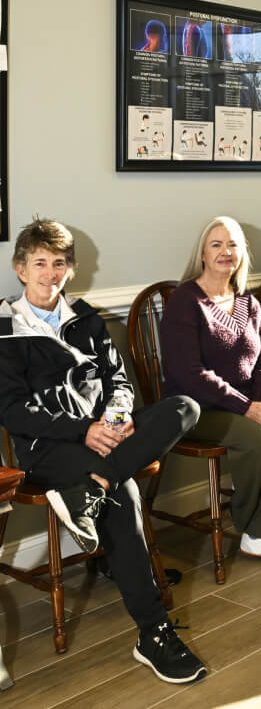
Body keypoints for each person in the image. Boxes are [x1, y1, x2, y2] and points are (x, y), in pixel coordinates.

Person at [0, 218, 206, 684]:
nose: (50, 274)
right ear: (20, 269)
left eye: (59, 264)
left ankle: (91, 488)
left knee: (184, 407)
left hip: (103, 438)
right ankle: (153, 634)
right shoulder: (5, 329)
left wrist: (114, 418)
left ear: (70, 269)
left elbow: (117, 379)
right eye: (39, 264)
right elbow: (12, 412)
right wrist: (83, 430)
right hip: (48, 449)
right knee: (126, 493)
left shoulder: (87, 319)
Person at [161, 216, 261, 568]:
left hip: (246, 402)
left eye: (233, 245)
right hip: (196, 408)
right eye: (216, 244)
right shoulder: (185, 301)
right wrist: (248, 408)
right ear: (201, 253)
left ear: (242, 254)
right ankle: (255, 528)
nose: (226, 252)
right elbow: (190, 373)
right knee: (257, 439)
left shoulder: (248, 302)